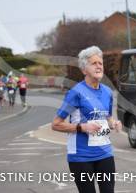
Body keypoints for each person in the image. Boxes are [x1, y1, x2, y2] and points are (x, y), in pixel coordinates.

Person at [52, 46, 122, 193]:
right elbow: (56, 124)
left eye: (100, 63)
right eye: (94, 63)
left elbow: (106, 116)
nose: (99, 66)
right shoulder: (76, 93)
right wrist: (82, 127)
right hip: (81, 157)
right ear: (84, 70)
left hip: (105, 153)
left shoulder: (108, 92)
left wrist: (114, 123)